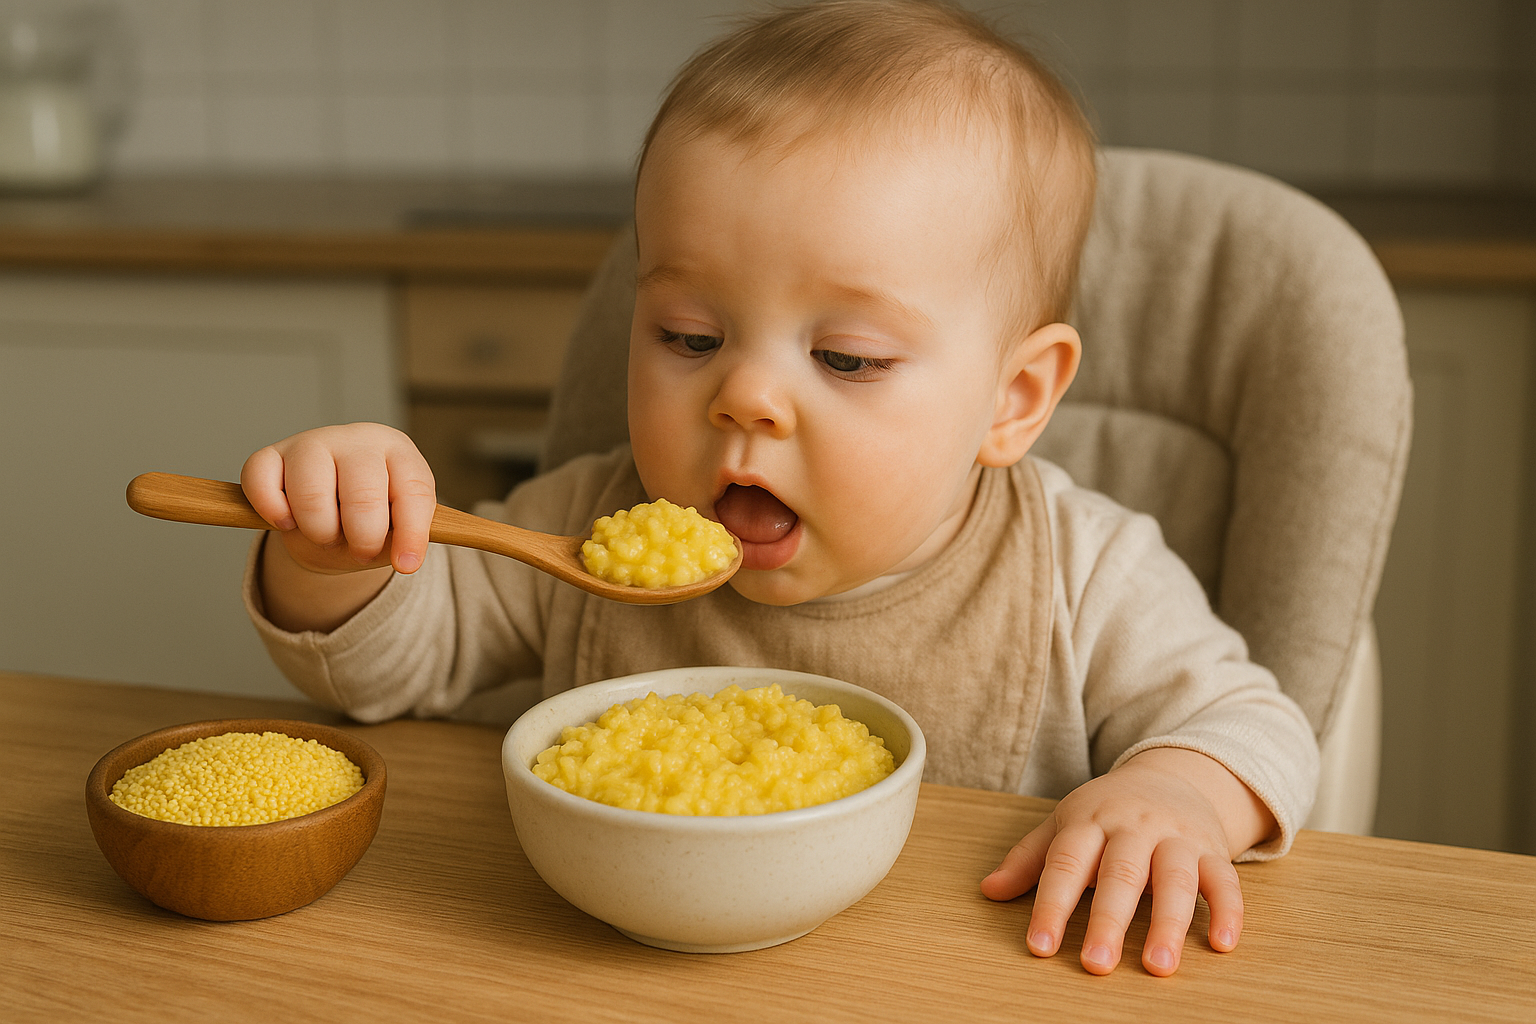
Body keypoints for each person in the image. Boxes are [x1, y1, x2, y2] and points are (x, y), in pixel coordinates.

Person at [239, 0, 1318, 978]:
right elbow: (389, 672)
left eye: (845, 357)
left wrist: (1176, 792)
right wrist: (336, 556)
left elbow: (1255, 723)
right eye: (689, 336)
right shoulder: (582, 528)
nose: (745, 395)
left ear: (1013, 397)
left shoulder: (1084, 573)